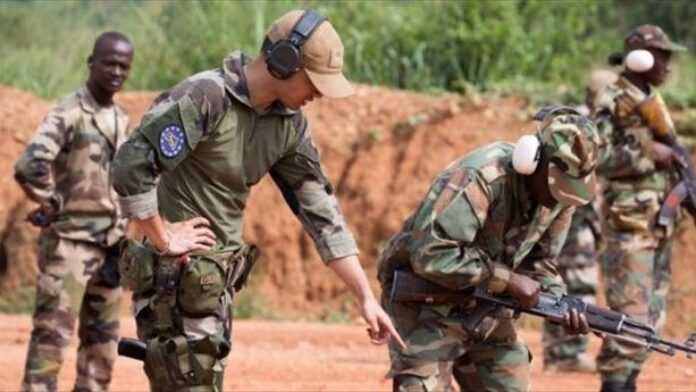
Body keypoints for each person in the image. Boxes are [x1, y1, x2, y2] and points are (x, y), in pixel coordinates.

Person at [111, 9, 403, 391]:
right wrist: (163, 236)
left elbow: (320, 212)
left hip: (215, 287)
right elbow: (131, 164)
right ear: (284, 62)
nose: (318, 94)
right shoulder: (206, 97)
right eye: (314, 81)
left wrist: (365, 297)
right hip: (174, 281)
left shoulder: (287, 125)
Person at [377, 106, 600, 391]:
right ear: (530, 160)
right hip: (425, 299)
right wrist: (508, 280)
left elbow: (540, 262)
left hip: (489, 304)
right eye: (558, 184)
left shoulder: (561, 198)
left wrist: (560, 305)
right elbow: (432, 254)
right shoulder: (480, 177)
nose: (561, 198)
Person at [14, 32, 134, 392]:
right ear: (92, 63)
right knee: (51, 342)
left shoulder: (121, 118)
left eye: (123, 66)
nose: (116, 71)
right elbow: (29, 165)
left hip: (110, 246)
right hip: (70, 245)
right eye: (109, 62)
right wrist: (51, 202)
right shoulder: (69, 113)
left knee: (102, 348)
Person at [590, 25, 687, 392]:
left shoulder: (650, 98)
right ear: (640, 56)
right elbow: (593, 154)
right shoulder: (613, 97)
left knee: (650, 326)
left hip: (657, 225)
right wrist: (649, 155)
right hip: (628, 226)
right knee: (628, 326)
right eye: (661, 55)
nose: (668, 63)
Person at [541, 69, 618, 373]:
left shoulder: (592, 122)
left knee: (572, 283)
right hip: (572, 217)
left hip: (582, 216)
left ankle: (565, 353)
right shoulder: (584, 126)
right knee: (573, 283)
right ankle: (563, 355)